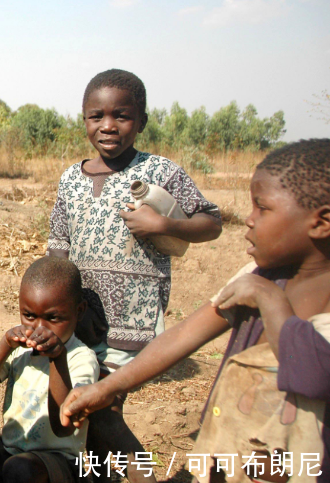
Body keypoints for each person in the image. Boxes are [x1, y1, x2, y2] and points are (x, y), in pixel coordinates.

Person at [60, 139, 330, 482]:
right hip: (229, 455)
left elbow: (313, 372)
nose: (248, 220)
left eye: (262, 208)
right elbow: (185, 335)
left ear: (321, 223)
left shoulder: (264, 288)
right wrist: (106, 387)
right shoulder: (256, 277)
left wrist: (270, 300)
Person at [46, 68, 222, 481]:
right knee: (87, 408)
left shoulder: (161, 173)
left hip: (133, 318)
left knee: (102, 409)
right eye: (97, 115)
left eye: (121, 115)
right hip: (79, 317)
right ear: (84, 118)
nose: (108, 125)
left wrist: (166, 226)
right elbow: (58, 245)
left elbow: (211, 222)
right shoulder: (71, 178)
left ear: (141, 120)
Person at [0, 257, 98, 483]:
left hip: (58, 463)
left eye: (53, 318)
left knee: (20, 470)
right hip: (8, 451)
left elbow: (63, 427)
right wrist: (5, 344)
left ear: (79, 311)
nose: (39, 328)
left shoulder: (80, 359)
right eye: (29, 316)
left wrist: (58, 358)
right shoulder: (19, 351)